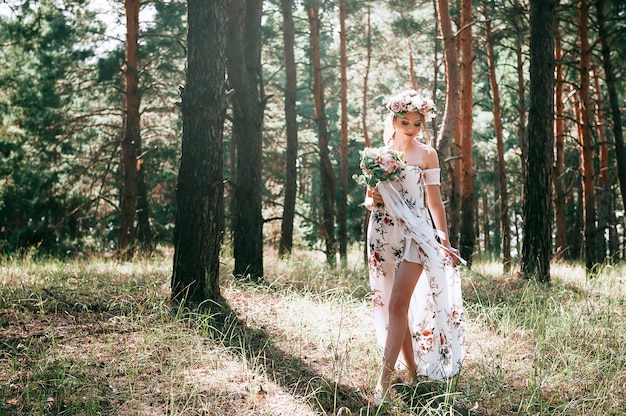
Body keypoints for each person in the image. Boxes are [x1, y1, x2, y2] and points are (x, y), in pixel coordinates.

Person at [362, 89, 465, 405]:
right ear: (393, 120)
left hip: (416, 234)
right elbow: (369, 198)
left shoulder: (427, 154)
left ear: (423, 124)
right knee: (394, 306)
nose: (410, 128)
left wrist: (443, 238)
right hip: (382, 232)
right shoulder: (378, 155)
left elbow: (434, 200)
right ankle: (411, 371)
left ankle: (384, 381)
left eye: (417, 123)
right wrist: (371, 200)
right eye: (404, 121)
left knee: (397, 303)